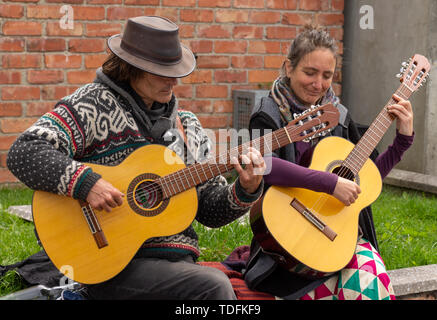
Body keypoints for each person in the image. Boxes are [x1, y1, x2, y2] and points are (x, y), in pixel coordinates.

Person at [6, 16, 266, 300]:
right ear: (131, 68)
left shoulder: (187, 126)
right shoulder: (91, 104)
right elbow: (25, 151)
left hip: (177, 269)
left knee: (216, 285)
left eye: (175, 71)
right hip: (108, 263)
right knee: (214, 285)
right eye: (162, 72)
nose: (174, 81)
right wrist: (87, 183)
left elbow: (209, 211)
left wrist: (245, 189)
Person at [245, 25, 414, 300]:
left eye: (327, 75)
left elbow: (367, 181)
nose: (319, 84)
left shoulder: (339, 116)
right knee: (363, 285)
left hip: (339, 235)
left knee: (370, 282)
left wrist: (402, 142)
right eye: (309, 73)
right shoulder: (269, 113)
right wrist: (330, 182)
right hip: (287, 246)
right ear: (288, 67)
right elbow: (264, 164)